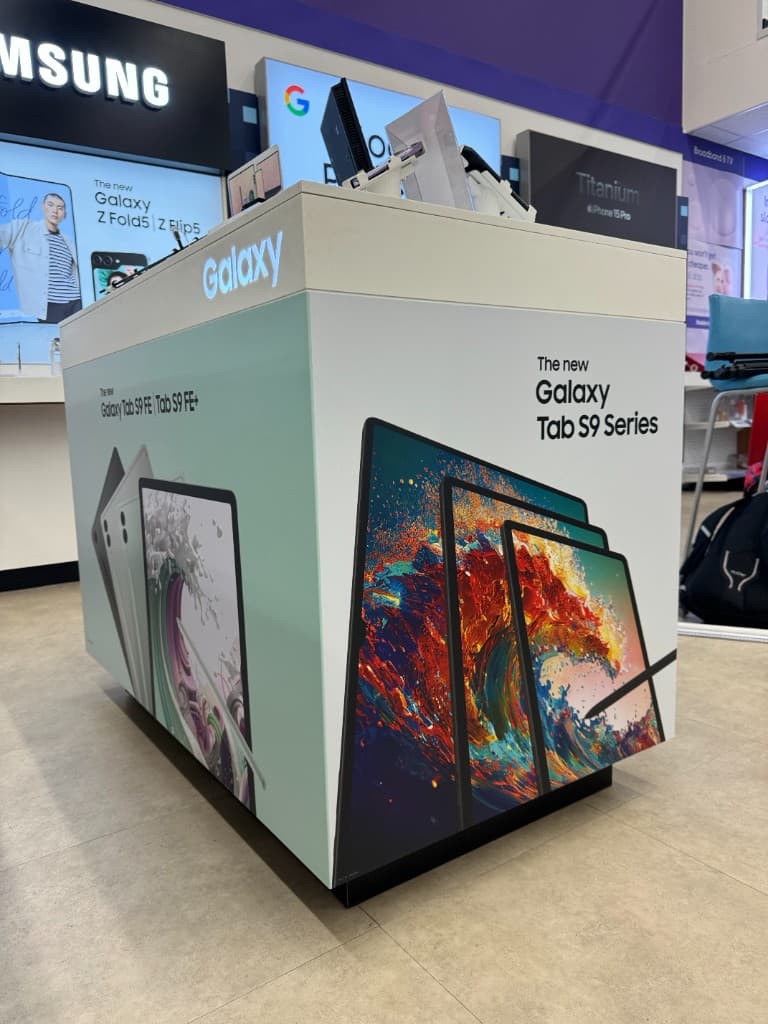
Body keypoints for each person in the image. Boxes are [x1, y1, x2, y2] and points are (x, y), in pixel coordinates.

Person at [0, 192, 81, 324]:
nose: (55, 210)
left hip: (76, 302)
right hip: (49, 305)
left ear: (64, 213)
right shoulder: (24, 229)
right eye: (51, 205)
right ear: (43, 207)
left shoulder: (68, 240)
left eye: (60, 208)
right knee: (56, 342)